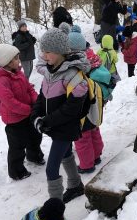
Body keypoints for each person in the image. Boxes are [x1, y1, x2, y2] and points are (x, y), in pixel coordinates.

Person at [31, 22, 90, 203]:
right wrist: (36, 115)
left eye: (48, 51)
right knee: (65, 154)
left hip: (65, 127)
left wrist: (47, 121)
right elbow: (42, 97)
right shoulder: (50, 71)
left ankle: (55, 214)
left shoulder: (73, 75)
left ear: (60, 52)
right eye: (43, 51)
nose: (43, 55)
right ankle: (75, 185)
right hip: (54, 125)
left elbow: (72, 109)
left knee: (51, 169)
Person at [0, 41, 44, 180]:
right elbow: (10, 103)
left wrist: (36, 102)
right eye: (16, 58)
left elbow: (29, 88)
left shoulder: (18, 73)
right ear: (7, 62)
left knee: (34, 136)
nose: (19, 61)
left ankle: (34, 156)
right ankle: (16, 171)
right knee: (17, 146)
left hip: (28, 113)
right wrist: (29, 109)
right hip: (14, 120)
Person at [67, 25, 105, 174]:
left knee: (82, 138)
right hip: (94, 103)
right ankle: (96, 156)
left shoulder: (74, 65)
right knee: (94, 130)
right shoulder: (92, 59)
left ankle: (87, 165)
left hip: (81, 105)